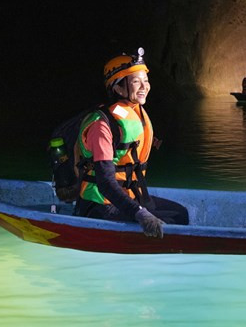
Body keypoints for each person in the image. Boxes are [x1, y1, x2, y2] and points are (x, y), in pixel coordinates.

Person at [74, 48, 189, 238]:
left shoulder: (136, 113)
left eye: (146, 80)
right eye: (136, 82)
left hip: (132, 195)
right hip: (102, 203)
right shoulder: (101, 125)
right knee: (166, 227)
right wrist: (141, 214)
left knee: (180, 215)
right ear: (118, 88)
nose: (144, 87)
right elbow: (106, 183)